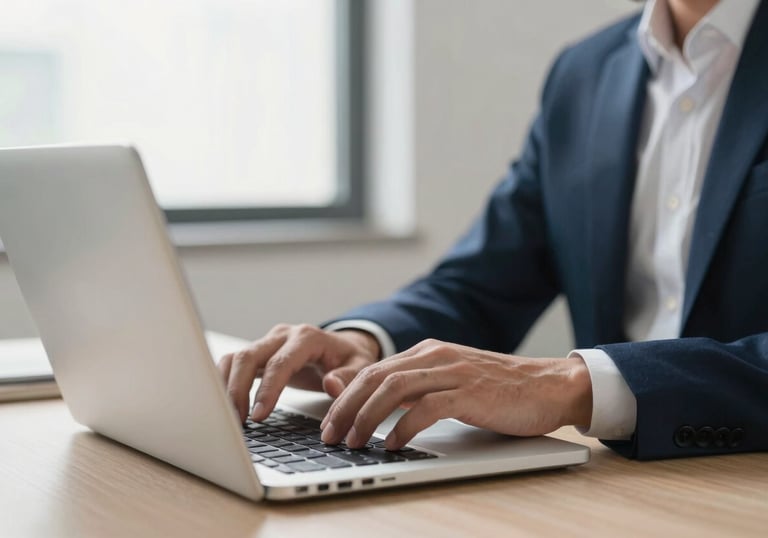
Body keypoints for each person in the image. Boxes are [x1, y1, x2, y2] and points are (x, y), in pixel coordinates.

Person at [218, 0, 768, 460]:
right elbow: (484, 282)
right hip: (613, 483)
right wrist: (363, 341)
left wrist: (577, 385)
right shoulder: (585, 73)